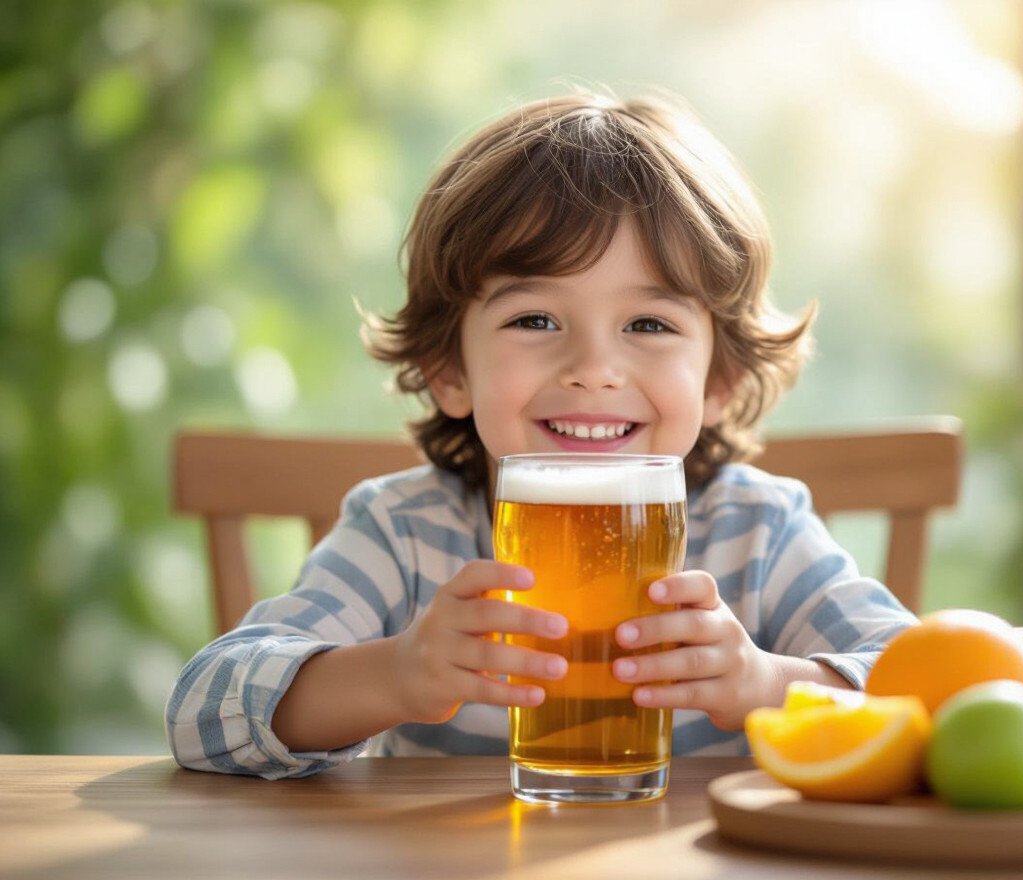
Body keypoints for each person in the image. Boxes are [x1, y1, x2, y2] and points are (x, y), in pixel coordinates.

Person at [166, 90, 917, 778]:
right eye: (535, 320)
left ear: (719, 380)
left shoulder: (759, 533)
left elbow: (927, 685)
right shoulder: (404, 534)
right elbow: (204, 710)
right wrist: (396, 674)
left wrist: (765, 682)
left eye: (649, 324)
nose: (594, 369)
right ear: (448, 368)